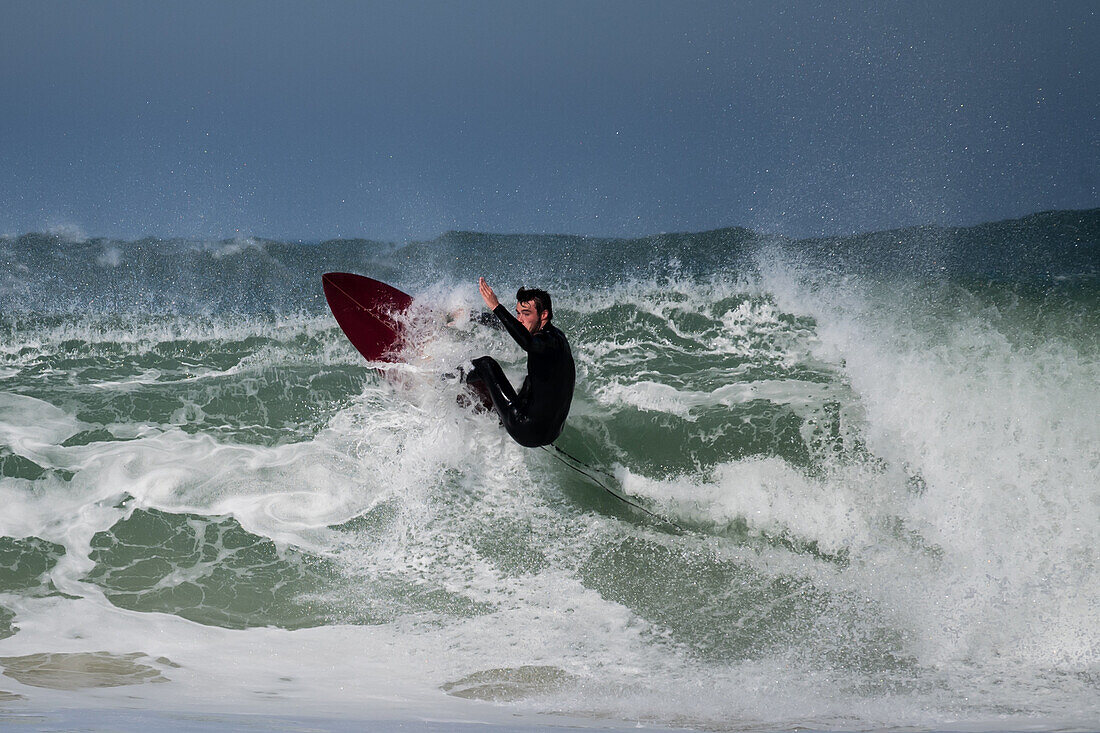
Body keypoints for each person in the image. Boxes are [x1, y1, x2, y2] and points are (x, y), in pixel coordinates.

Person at [465, 278, 575, 447]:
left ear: (543, 314)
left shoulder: (543, 341)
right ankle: (502, 413)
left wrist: (496, 306)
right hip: (552, 432)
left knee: (486, 364)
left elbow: (527, 343)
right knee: (531, 379)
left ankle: (447, 376)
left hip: (525, 429)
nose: (520, 318)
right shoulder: (557, 337)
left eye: (526, 313)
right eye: (518, 313)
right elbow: (513, 328)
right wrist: (472, 316)